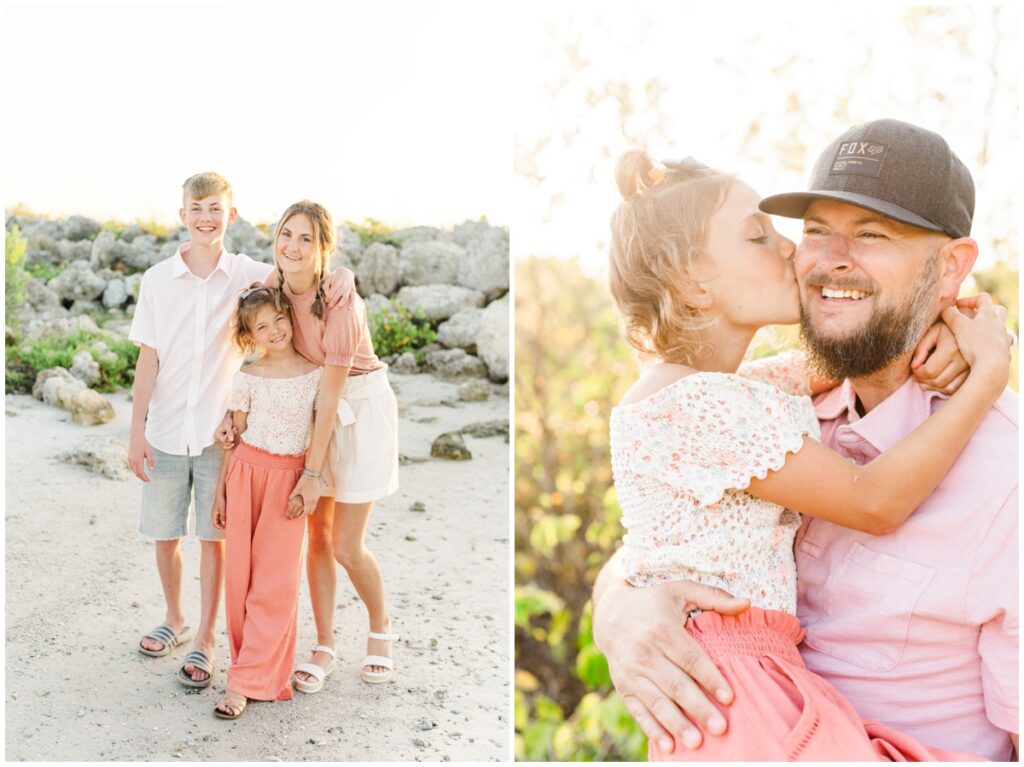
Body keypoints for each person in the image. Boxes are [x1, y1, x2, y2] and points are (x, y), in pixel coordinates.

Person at [593, 120, 1018, 761]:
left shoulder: (1004, 470)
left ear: (951, 266)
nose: (812, 256)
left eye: (873, 234)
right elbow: (660, 543)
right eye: (815, 230)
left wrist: (972, 337)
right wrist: (617, 608)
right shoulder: (765, 410)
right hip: (747, 706)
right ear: (693, 280)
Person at [129, 173, 352, 688]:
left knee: (214, 537)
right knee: (165, 535)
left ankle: (205, 641)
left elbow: (304, 273)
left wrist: (346, 278)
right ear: (182, 213)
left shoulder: (249, 273)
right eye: (196, 207)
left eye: (216, 209)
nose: (206, 217)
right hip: (163, 429)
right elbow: (148, 359)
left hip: (218, 435)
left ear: (230, 216)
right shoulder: (157, 279)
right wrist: (136, 431)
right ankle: (174, 619)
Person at [221, 200, 400, 691]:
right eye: (286, 235)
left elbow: (332, 392)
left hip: (357, 409)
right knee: (315, 538)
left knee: (346, 543)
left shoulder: (342, 301)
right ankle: (325, 643)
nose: (293, 247)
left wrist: (313, 472)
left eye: (306, 239)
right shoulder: (275, 290)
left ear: (324, 249)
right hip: (313, 412)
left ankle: (381, 629)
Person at [210, 284, 326, 719]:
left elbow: (324, 431)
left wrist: (310, 481)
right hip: (244, 475)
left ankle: (245, 682)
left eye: (280, 318)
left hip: (288, 479)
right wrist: (221, 491)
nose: (275, 329)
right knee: (240, 578)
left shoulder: (316, 372)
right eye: (263, 326)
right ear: (250, 334)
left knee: (275, 584)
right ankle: (245, 667)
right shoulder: (248, 376)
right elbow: (233, 439)